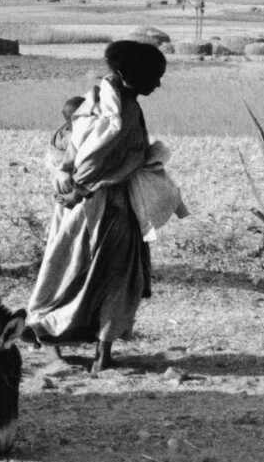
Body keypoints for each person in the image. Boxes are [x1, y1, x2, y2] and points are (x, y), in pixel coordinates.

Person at [25, 40, 166, 372]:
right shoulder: (126, 112)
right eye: (154, 76)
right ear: (134, 75)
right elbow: (91, 162)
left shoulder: (96, 102)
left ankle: (55, 343)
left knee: (69, 271)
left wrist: (72, 188)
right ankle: (102, 354)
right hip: (107, 208)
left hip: (78, 207)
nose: (157, 84)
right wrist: (83, 189)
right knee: (116, 278)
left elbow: (73, 149)